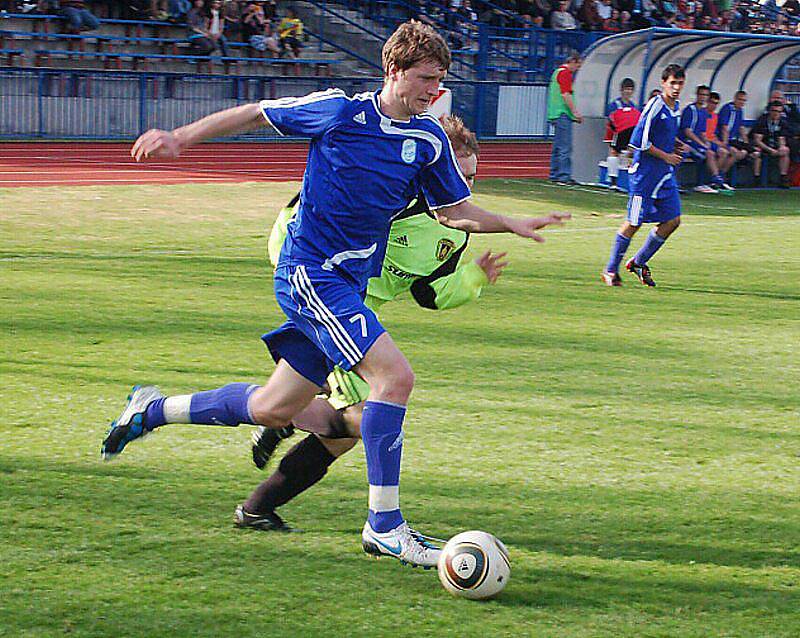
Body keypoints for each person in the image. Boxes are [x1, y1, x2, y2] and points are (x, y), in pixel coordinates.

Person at [103, 21, 569, 569]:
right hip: (309, 273)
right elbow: (257, 112)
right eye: (425, 78)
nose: (432, 91)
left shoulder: (429, 139)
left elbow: (454, 212)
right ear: (393, 70)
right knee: (394, 378)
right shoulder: (340, 111)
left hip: (344, 284)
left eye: (439, 81)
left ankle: (153, 410)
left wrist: (511, 222)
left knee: (273, 407)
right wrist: (180, 138)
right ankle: (385, 526)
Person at [240, 115, 509, 531]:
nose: (465, 189)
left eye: (473, 178)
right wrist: (302, 278)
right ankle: (287, 424)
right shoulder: (380, 195)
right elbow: (297, 220)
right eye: (459, 176)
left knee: (350, 428)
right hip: (318, 296)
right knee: (363, 418)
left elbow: (429, 293)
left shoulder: (454, 234)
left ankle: (262, 495)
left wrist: (472, 277)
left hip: (356, 320)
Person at [601, 64, 686, 288]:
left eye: (680, 83)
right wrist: (666, 156)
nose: (676, 88)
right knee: (633, 222)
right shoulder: (655, 106)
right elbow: (638, 142)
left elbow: (662, 134)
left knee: (673, 220)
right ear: (663, 83)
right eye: (672, 83)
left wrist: (676, 144)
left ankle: (638, 262)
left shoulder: (675, 107)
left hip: (664, 176)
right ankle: (610, 269)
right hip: (645, 176)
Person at [679, 84, 731, 193]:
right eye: (701, 94)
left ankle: (714, 180)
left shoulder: (703, 112)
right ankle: (711, 180)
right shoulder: (690, 109)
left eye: (706, 95)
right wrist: (702, 144)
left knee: (723, 152)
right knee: (708, 153)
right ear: (697, 95)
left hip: (698, 142)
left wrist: (706, 142)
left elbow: (702, 132)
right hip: (688, 142)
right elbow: (687, 131)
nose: (703, 97)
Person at [547, 51, 583, 185]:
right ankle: (563, 176)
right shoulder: (565, 73)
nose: (577, 69)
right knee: (565, 146)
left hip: (554, 112)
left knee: (558, 146)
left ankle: (555, 174)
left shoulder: (557, 72)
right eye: (578, 66)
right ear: (573, 61)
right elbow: (566, 95)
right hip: (562, 113)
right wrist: (575, 112)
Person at [604, 77, 641, 189]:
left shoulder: (633, 106)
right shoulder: (615, 104)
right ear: (621, 90)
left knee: (631, 153)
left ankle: (631, 181)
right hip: (617, 133)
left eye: (630, 89)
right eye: (626, 89)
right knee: (614, 153)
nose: (628, 92)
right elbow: (609, 120)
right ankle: (613, 181)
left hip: (630, 133)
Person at [751, 100, 792, 188]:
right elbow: (757, 140)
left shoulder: (783, 122)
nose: (776, 113)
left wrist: (780, 148)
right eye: (774, 111)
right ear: (770, 111)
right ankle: (756, 179)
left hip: (775, 146)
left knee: (785, 150)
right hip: (763, 145)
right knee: (757, 153)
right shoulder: (762, 120)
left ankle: (783, 177)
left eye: (779, 112)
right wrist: (770, 150)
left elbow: (782, 139)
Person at [716, 90, 752, 178]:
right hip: (722, 139)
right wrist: (725, 143)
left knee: (744, 152)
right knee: (734, 152)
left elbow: (741, 127)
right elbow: (724, 128)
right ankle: (719, 176)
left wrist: (746, 142)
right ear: (735, 99)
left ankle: (723, 174)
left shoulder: (740, 111)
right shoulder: (727, 108)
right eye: (740, 99)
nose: (742, 102)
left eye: (744, 100)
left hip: (733, 140)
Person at [703, 91, 732, 187]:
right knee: (716, 152)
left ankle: (716, 178)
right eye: (712, 102)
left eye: (716, 103)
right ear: (707, 101)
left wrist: (721, 142)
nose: (714, 105)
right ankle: (716, 178)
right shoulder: (702, 113)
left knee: (726, 152)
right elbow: (701, 133)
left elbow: (714, 133)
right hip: (703, 141)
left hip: (712, 141)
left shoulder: (715, 116)